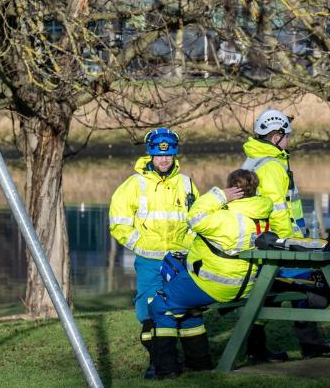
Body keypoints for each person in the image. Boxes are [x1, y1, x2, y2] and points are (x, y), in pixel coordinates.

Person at [148, 169, 271, 378]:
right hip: (246, 283)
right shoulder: (262, 212)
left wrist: (219, 195)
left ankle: (166, 369)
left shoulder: (226, 218)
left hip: (214, 284)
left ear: (233, 189)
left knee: (160, 305)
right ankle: (199, 363)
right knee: (189, 309)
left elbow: (194, 217)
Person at [108, 127, 208, 378]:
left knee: (188, 309)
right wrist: (141, 245)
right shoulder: (134, 184)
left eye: (169, 154)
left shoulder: (186, 183)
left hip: (180, 260)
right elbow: (118, 223)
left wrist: (187, 246)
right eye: (159, 154)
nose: (164, 159)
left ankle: (199, 363)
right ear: (150, 154)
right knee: (151, 310)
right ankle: (159, 364)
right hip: (150, 261)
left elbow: (199, 219)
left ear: (175, 154)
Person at [242, 107, 330, 359]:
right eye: (287, 135)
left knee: (270, 293)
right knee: (318, 288)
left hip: (264, 243)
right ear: (276, 137)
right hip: (278, 243)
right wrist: (294, 243)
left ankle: (256, 348)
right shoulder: (272, 166)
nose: (289, 139)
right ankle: (309, 344)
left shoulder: (254, 159)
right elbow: (277, 210)